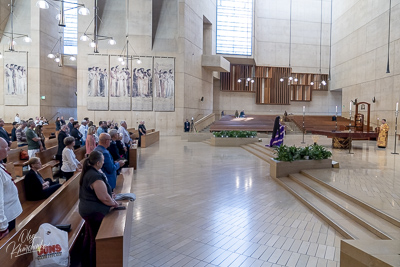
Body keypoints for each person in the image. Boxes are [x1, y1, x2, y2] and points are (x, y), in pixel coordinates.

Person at [79, 150, 120, 267]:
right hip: (93, 212)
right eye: (102, 161)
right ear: (97, 163)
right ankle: (93, 263)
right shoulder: (94, 176)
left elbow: (100, 193)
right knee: (95, 239)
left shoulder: (91, 171)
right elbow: (104, 198)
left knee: (89, 235)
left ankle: (85, 261)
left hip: (88, 209)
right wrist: (114, 203)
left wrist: (109, 196)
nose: (103, 162)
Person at [0, 137, 22, 240]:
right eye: (6, 147)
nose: (9, 149)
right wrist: (3, 227)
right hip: (6, 219)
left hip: (10, 214)